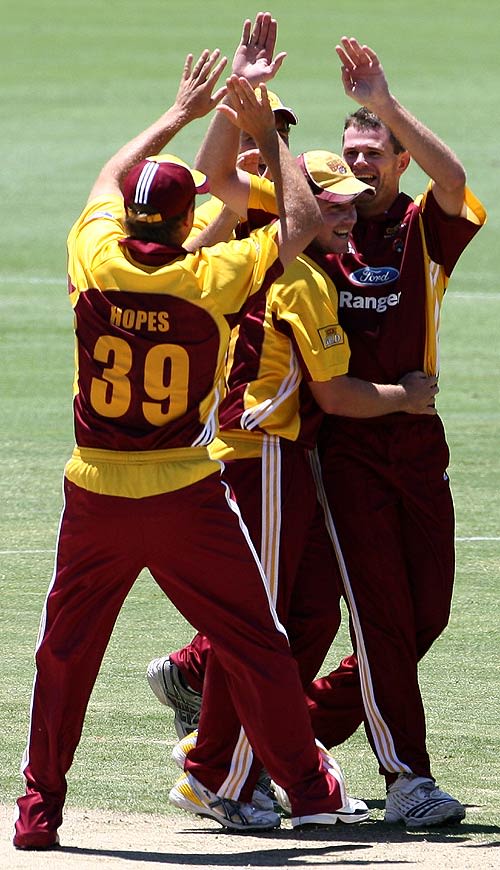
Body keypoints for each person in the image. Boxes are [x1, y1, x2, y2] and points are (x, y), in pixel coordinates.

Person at [12, 34, 358, 848]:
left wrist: (180, 111)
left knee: (64, 656)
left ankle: (39, 812)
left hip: (96, 489)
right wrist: (265, 126)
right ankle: (307, 792)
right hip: (183, 492)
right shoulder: (212, 279)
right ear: (186, 223)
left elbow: (112, 176)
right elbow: (299, 219)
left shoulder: (94, 257)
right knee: (257, 644)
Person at [302, 36, 487, 828]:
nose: (362, 164)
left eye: (374, 150)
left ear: (398, 158)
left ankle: (264, 723)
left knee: (426, 617)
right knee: (379, 617)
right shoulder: (320, 231)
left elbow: (457, 181)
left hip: (419, 445)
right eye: (351, 151)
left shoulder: (422, 229)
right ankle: (408, 780)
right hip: (345, 452)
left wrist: (385, 103)